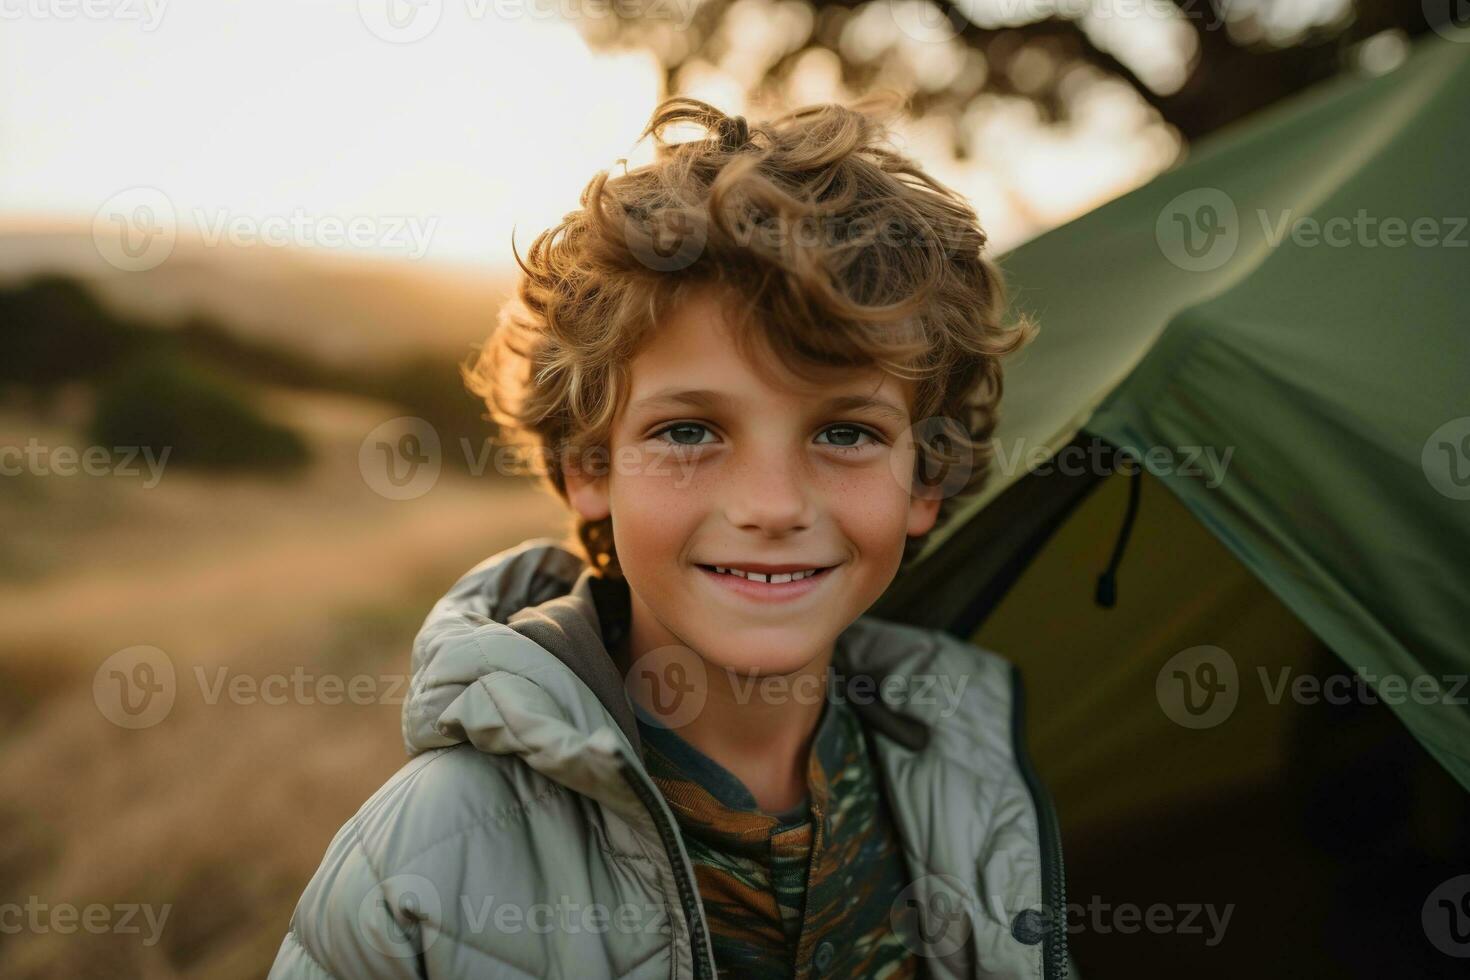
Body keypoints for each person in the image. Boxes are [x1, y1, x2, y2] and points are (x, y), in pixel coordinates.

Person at [268, 94, 1067, 979]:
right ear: (589, 466)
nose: (771, 506)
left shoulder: (976, 780)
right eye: (689, 432)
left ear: (926, 477)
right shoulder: (425, 858)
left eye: (845, 433)